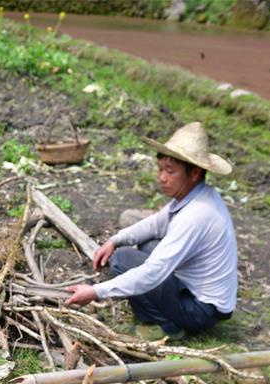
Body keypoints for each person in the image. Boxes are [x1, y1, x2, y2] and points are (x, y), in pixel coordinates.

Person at [64, 122, 237, 339]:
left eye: (170, 171)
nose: (161, 177)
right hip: (202, 297)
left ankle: (168, 326)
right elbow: (155, 224)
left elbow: (154, 272)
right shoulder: (198, 196)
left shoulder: (196, 216)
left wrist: (95, 292)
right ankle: (169, 314)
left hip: (201, 309)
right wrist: (115, 240)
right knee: (147, 244)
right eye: (160, 169)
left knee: (123, 259)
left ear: (194, 173)